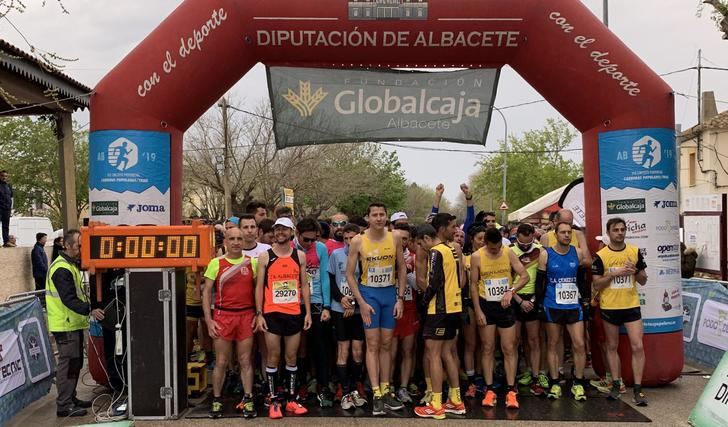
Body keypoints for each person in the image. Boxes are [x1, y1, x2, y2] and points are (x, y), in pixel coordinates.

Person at [346, 202, 407, 416]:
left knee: (387, 343)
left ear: (387, 217)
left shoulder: (395, 237)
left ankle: (386, 388)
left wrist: (400, 298)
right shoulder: (358, 241)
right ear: (368, 217)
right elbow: (349, 274)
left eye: (382, 214)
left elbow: (401, 267)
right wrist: (361, 302)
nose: (379, 218)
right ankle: (376, 393)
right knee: (372, 344)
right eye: (375, 215)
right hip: (369, 294)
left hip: (389, 294)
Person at [255, 217, 312, 419]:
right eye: (277, 229)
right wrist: (259, 313)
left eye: (284, 229)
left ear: (291, 232)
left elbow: (304, 285)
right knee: (273, 356)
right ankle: (273, 399)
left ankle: (291, 398)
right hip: (271, 313)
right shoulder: (265, 256)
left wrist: (307, 312)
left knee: (291, 357)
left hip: (294, 313)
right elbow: (259, 286)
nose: (280, 232)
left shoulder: (300, 256)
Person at [46, 229, 104, 417]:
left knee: (75, 364)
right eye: (79, 246)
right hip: (65, 324)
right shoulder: (61, 268)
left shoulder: (70, 265)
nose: (81, 249)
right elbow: (68, 298)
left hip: (73, 323)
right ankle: (64, 405)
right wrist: (90, 309)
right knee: (68, 365)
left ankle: (71, 397)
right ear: (67, 245)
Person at [591, 217, 648, 406]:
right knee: (611, 347)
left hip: (631, 305)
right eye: (616, 230)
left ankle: (638, 389)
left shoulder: (634, 251)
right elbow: (596, 283)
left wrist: (635, 272)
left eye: (623, 229)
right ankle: (616, 383)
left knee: (637, 346)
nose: (620, 233)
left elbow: (643, 280)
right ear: (609, 233)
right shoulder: (601, 255)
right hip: (610, 307)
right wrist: (613, 274)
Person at [413, 215, 466, 419]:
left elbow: (434, 281)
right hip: (454, 307)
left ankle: (436, 403)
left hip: (440, 309)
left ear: (427, 238)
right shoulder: (451, 248)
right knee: (448, 353)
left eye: (420, 243)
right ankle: (456, 399)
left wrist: (424, 301)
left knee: (433, 353)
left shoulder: (436, 251)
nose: (421, 247)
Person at [203, 227, 258, 419]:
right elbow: (206, 292)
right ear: (225, 241)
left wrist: (258, 314)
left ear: (245, 241)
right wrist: (209, 321)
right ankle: (217, 399)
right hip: (222, 316)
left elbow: (258, 291)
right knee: (222, 362)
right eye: (232, 238)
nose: (236, 242)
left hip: (246, 316)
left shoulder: (253, 263)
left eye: (239, 239)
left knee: (245, 360)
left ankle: (248, 398)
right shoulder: (216, 263)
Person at [471, 228, 529, 409]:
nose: (495, 251)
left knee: (509, 348)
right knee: (487, 347)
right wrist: (478, 311)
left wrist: (511, 292)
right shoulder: (477, 256)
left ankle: (511, 390)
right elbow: (473, 285)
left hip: (505, 306)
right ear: (485, 243)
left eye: (498, 248)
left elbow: (524, 276)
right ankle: (489, 389)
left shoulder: (508, 253)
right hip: (486, 305)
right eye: (492, 249)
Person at [536, 222, 590, 402]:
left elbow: (582, 281)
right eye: (563, 232)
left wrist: (586, 301)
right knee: (553, 343)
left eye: (569, 232)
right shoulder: (546, 254)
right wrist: (539, 305)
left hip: (573, 306)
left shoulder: (578, 253)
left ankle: (579, 382)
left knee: (579, 344)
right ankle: (555, 383)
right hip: (552, 305)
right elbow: (540, 282)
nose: (566, 235)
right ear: (556, 234)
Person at [292, 217, 333, 407]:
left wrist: (326, 306)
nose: (309, 243)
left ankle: (323, 386)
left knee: (320, 347)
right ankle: (299, 384)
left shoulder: (321, 249)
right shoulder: (290, 248)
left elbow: (324, 277)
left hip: (316, 302)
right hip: (294, 303)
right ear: (297, 235)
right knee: (298, 348)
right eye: (305, 240)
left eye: (313, 239)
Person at [328, 223, 368, 409]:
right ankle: (344, 391)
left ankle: (353, 387)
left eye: (352, 238)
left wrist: (353, 302)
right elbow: (331, 281)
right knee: (343, 350)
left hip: (359, 308)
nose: (349, 242)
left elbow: (365, 282)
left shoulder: (366, 255)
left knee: (358, 350)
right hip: (339, 307)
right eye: (345, 238)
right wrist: (342, 299)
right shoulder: (336, 255)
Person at [510, 223, 549, 395]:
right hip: (514, 297)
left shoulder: (541, 250)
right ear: (517, 237)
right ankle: (516, 376)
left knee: (534, 340)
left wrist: (533, 300)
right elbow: (507, 279)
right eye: (522, 243)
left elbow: (543, 278)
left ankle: (535, 376)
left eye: (529, 243)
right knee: (514, 341)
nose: (526, 247)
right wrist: (519, 301)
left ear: (534, 236)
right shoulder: (509, 251)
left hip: (533, 297)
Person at [390, 223, 419, 404]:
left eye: (405, 239)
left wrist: (407, 273)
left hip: (409, 309)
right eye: (398, 238)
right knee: (390, 352)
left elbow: (419, 287)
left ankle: (404, 387)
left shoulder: (415, 258)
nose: (401, 242)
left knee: (408, 351)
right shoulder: (385, 257)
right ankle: (389, 386)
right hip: (389, 309)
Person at [462, 223, 486, 398]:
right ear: (472, 240)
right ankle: (470, 380)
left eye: (485, 239)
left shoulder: (492, 256)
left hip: (488, 303)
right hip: (469, 303)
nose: (483, 242)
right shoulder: (465, 258)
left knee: (485, 344)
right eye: (479, 239)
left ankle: (481, 378)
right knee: (470, 343)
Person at [0, 170, 13, 247]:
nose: (4, 177)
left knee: (6, 226)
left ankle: (6, 242)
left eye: (6, 176)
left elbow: (11, 197)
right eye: (2, 176)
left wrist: (11, 208)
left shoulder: (9, 186)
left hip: (7, 209)